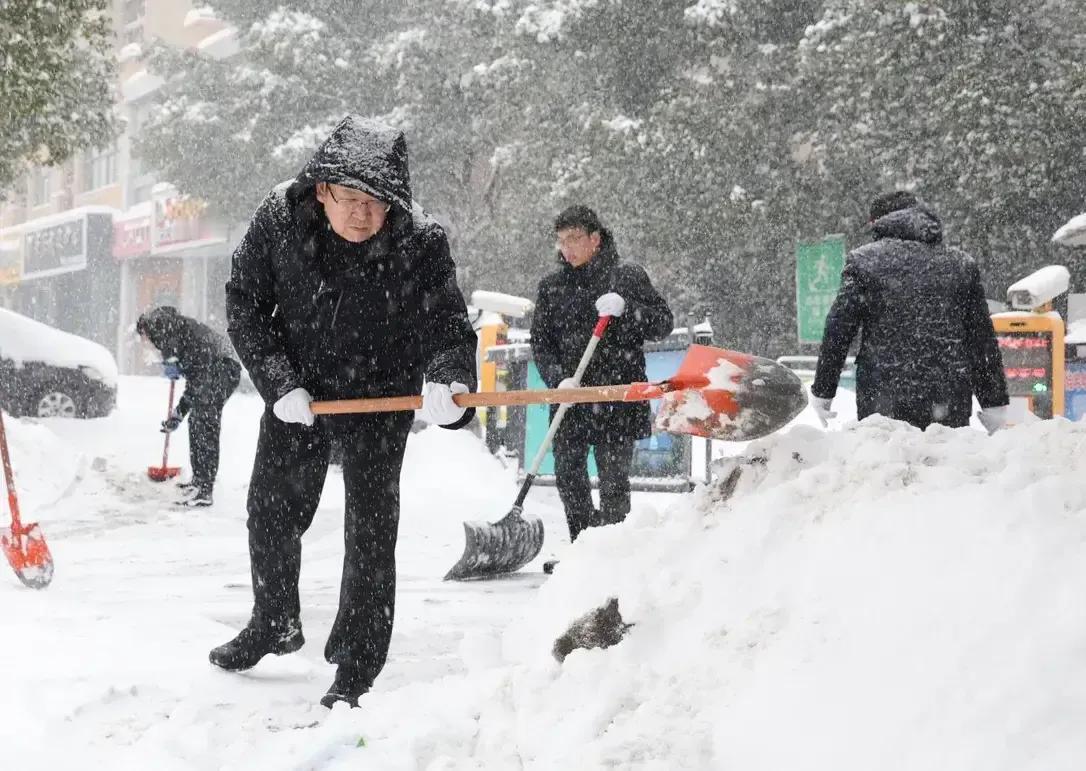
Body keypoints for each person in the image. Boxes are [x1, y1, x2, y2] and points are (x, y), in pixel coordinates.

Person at [212, 115, 478, 710]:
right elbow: (245, 304)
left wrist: (448, 382)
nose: (363, 214)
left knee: (371, 529)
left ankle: (356, 663)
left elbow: (448, 327)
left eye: (376, 203)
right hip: (299, 389)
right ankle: (273, 621)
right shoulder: (278, 217)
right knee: (271, 511)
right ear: (322, 190)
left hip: (381, 391)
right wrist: (278, 382)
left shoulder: (421, 239)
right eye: (351, 200)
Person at [530, 205, 673, 542]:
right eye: (561, 241)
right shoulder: (552, 287)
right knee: (568, 477)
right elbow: (541, 342)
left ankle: (611, 551)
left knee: (613, 483)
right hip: (571, 398)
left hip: (616, 401)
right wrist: (557, 379)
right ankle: (581, 548)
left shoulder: (627, 277)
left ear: (595, 238)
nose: (567, 248)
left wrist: (628, 309)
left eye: (575, 238)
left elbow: (662, 324)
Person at [811, 191, 1009, 432]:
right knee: (946, 466)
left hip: (882, 401)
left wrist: (823, 390)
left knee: (886, 465)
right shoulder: (961, 265)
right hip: (947, 401)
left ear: (877, 223)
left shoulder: (863, 262)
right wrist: (993, 400)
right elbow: (981, 340)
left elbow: (838, 330)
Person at [136, 306, 241, 507]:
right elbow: (195, 383)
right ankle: (199, 481)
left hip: (223, 368)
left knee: (205, 422)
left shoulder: (160, 324)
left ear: (144, 331)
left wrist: (170, 360)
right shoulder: (176, 334)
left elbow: (197, 378)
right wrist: (179, 414)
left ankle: (205, 489)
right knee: (197, 420)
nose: (147, 344)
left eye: (144, 339)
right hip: (215, 368)